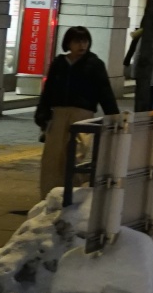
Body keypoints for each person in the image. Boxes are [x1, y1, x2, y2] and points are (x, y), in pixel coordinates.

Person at [35, 26, 118, 195]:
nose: (82, 45)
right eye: (77, 41)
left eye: (85, 41)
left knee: (75, 155)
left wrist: (114, 116)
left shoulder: (94, 64)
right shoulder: (59, 63)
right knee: (52, 157)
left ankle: (72, 195)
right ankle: (49, 196)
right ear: (68, 43)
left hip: (82, 114)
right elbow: (48, 90)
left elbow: (105, 92)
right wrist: (42, 112)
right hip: (58, 114)